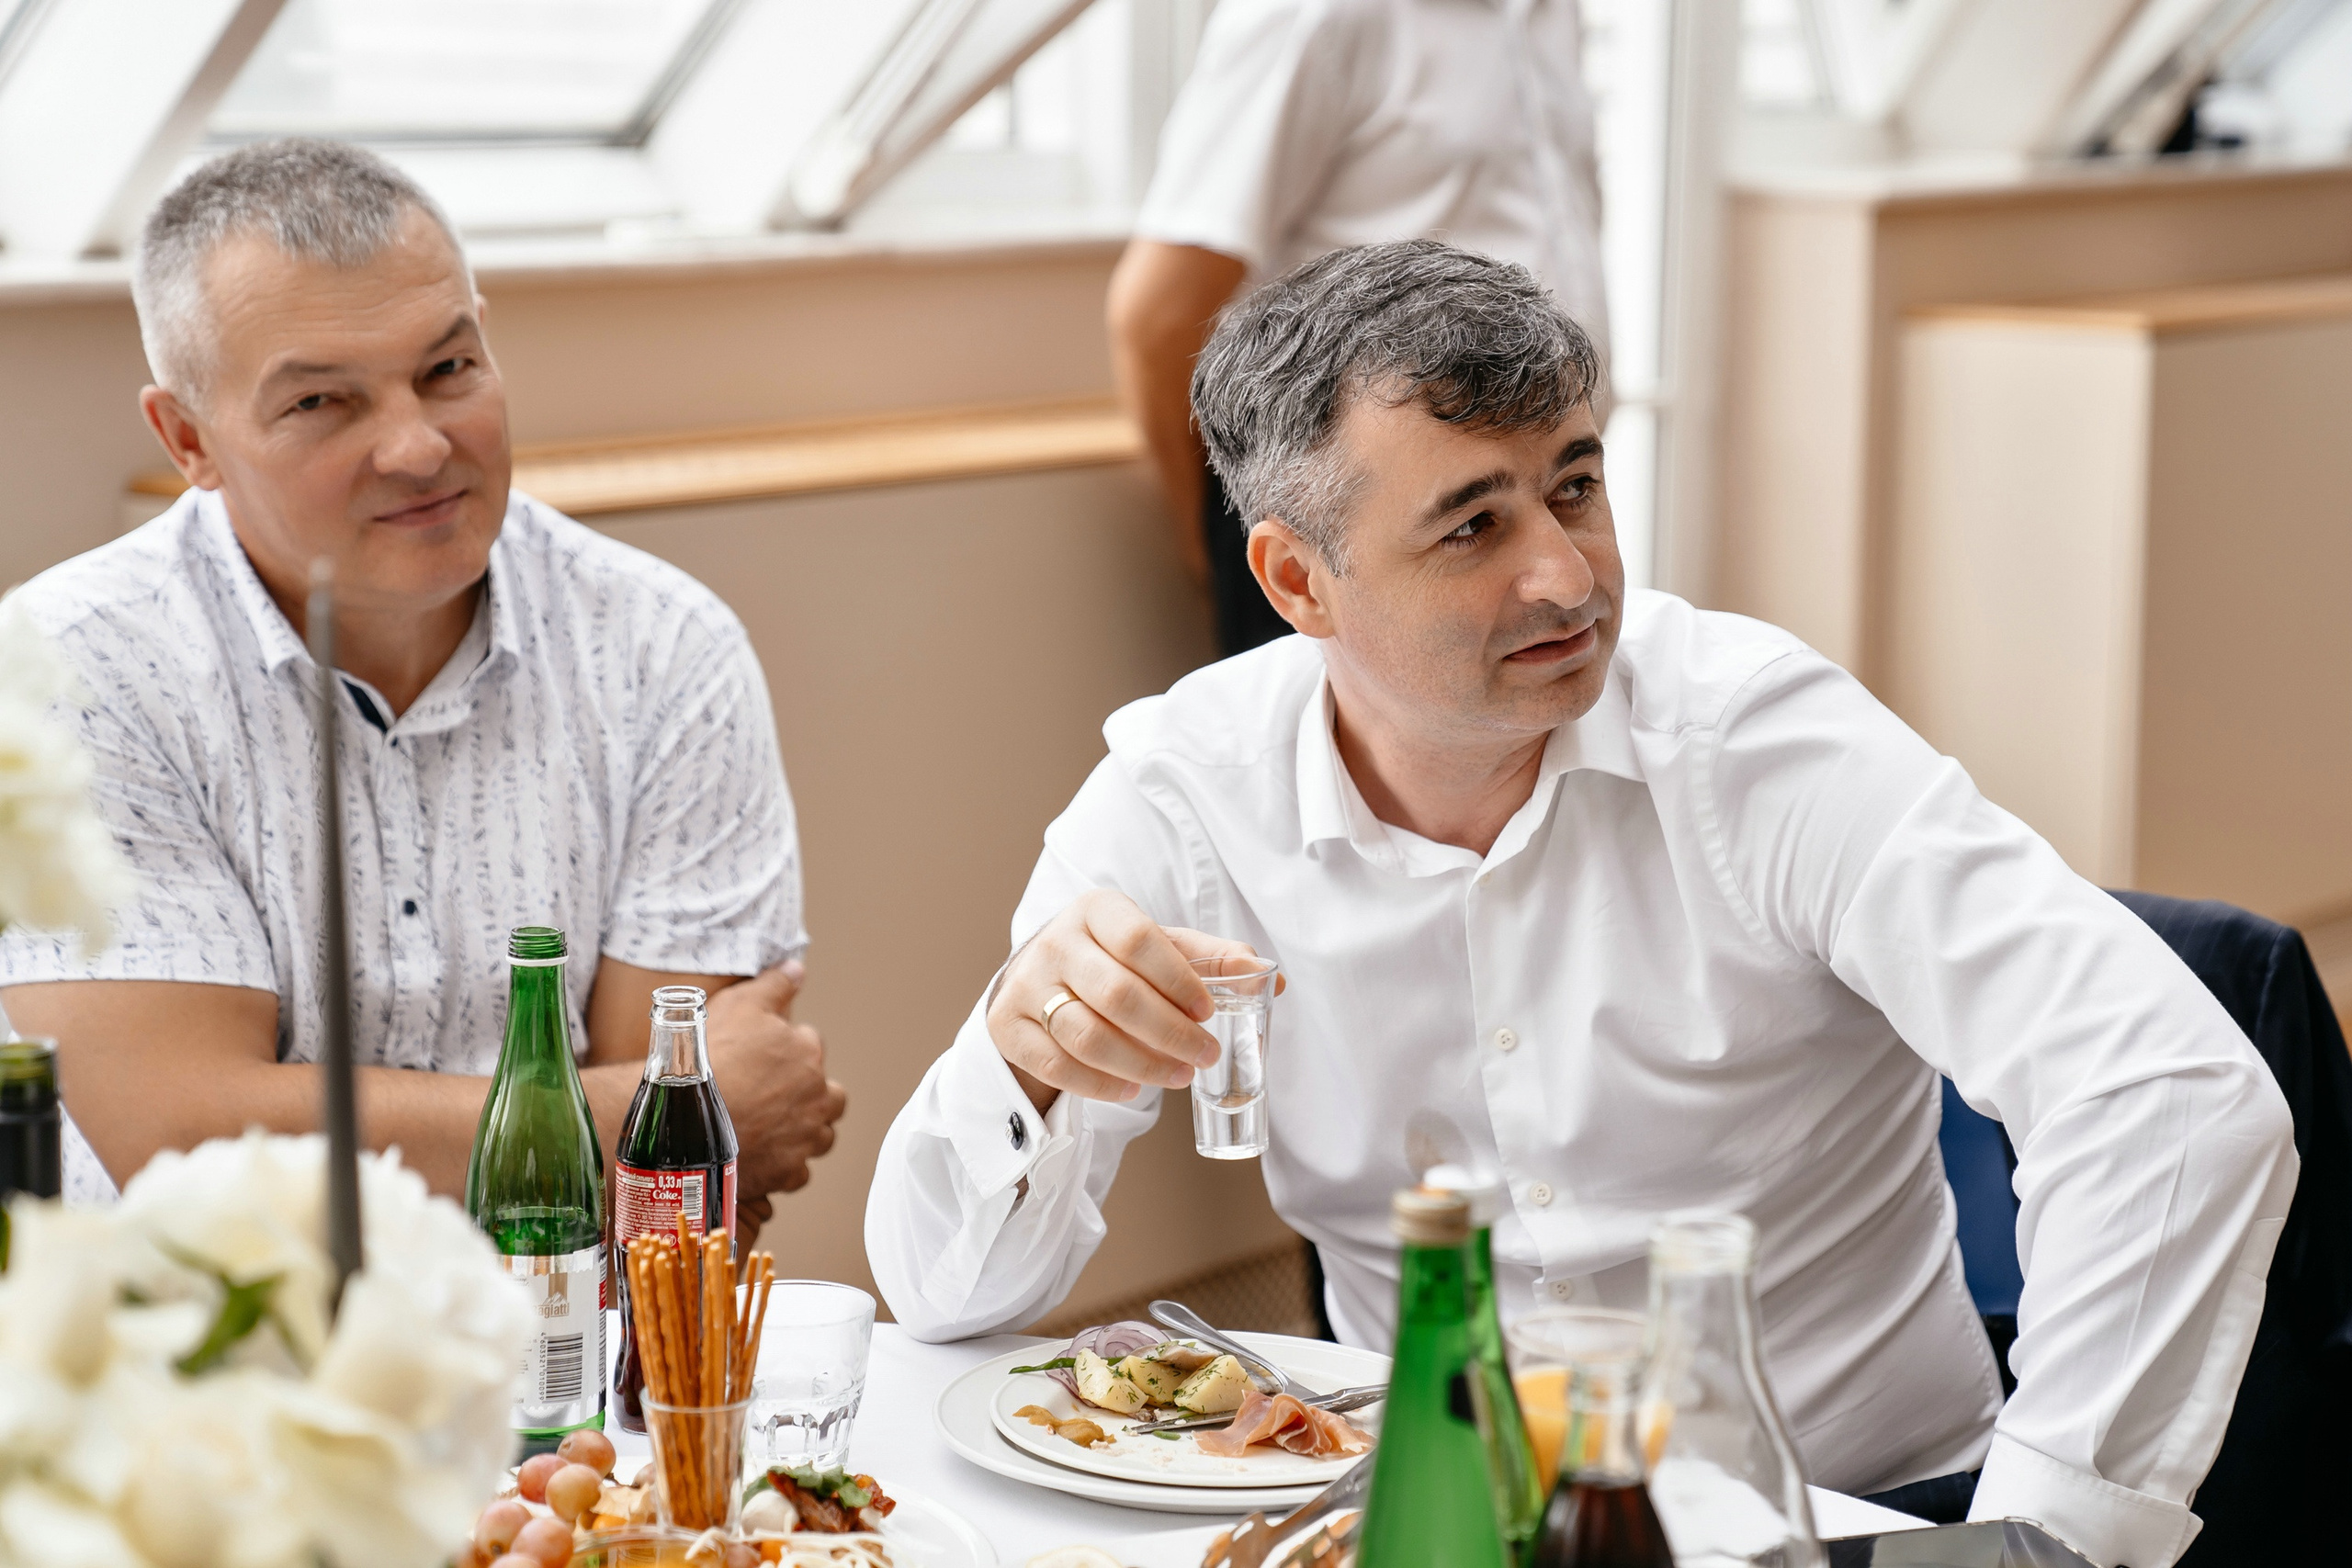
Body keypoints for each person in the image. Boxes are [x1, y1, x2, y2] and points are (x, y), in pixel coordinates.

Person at [868, 242, 2296, 1568]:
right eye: (1472, 524)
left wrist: (2036, 1540)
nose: (1565, 573)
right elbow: (940, 1299)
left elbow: (2170, 1090)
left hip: (1833, 1515)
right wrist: (1026, 1059)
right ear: (1301, 579)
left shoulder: (1760, 742)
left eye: (1575, 485)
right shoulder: (1185, 791)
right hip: (1419, 1514)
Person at [0, 140, 847, 1234]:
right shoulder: (64, 671)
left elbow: (673, 1198)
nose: (416, 446)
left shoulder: (665, 648)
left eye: (448, 371)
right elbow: (182, 1141)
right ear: (188, 438)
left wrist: (653, 1126)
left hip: (564, 1365)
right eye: (321, 403)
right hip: (195, 1364)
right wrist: (625, 1115)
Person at [1107, 0, 1606, 657]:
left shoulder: (1550, 13)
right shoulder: (1309, 15)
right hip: (1362, 550)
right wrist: (1220, 554)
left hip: (1543, 499)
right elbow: (1157, 315)